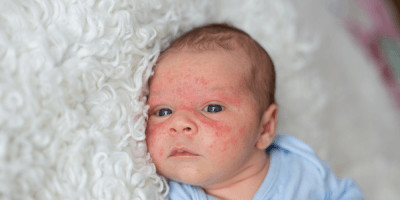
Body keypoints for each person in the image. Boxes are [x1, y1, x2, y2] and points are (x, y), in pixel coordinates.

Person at [145, 23, 363, 200]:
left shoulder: (301, 170)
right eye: (163, 111)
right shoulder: (168, 194)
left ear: (265, 127)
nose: (179, 122)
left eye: (212, 108)